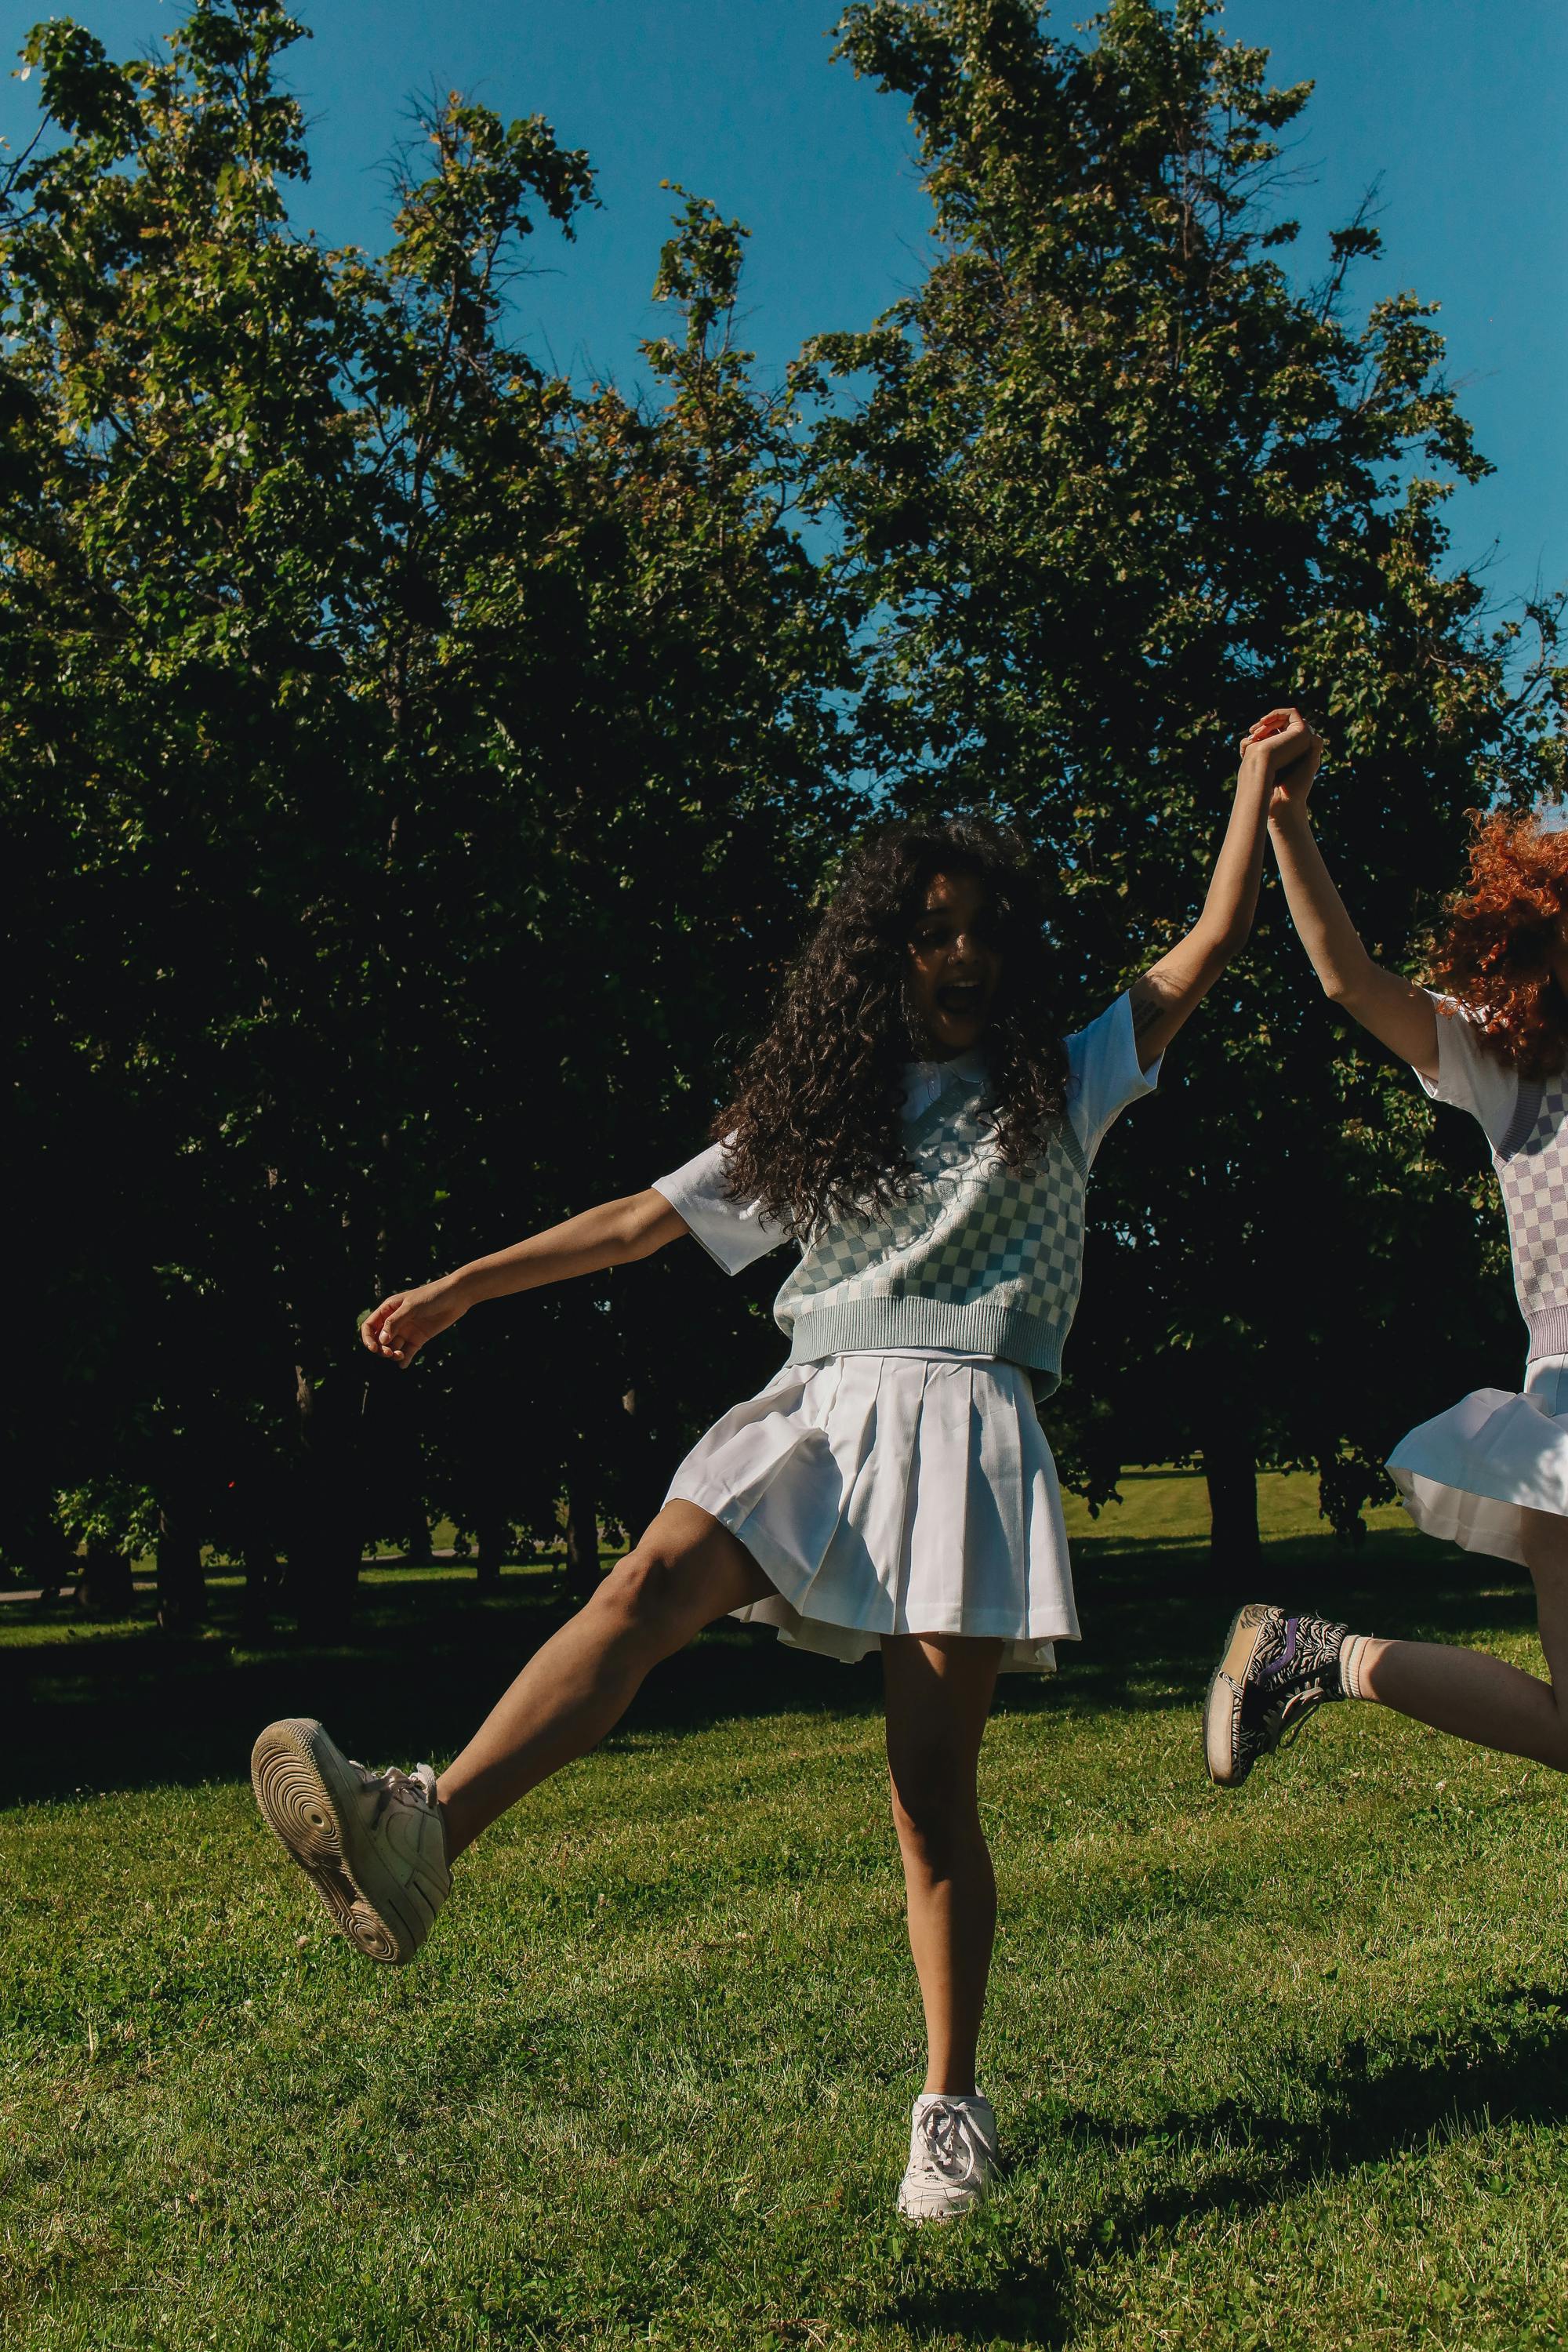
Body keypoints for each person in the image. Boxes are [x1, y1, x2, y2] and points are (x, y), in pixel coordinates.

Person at [252, 720, 1305, 2222]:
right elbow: (637, 1223)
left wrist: (1257, 799)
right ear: (879, 952)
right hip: (817, 1408)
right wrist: (465, 1286)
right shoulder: (828, 1117)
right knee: (646, 1582)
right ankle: (425, 1834)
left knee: (930, 1794)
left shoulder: (1068, 1081)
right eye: (931, 931)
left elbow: (1208, 942)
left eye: (983, 933)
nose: (964, 956)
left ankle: (950, 2105)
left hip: (968, 1426)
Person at [1205, 722, 1568, 1795]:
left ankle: (1316, 1656)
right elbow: (1352, 981)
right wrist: (1286, 820)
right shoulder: (1516, 1066)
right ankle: (1323, 1655)